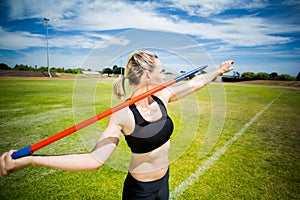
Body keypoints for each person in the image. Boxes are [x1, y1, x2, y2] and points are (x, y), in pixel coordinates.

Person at [0, 50, 233, 199]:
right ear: (148, 76)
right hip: (140, 191)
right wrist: (32, 160)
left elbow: (196, 83)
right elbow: (94, 160)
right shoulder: (122, 115)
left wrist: (218, 71)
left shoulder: (163, 96)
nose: (166, 75)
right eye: (162, 71)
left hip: (164, 182)